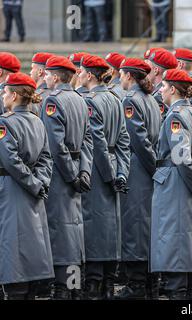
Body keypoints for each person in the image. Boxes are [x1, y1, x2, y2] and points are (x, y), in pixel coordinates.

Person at [151, 69, 192, 300]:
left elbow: (182, 157)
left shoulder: (176, 116)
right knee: (185, 241)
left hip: (176, 184)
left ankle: (178, 291)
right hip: (187, 181)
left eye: (164, 86)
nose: (160, 90)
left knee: (174, 242)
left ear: (173, 89)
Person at [78, 55, 131, 300]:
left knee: (95, 227)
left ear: (89, 75)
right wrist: (121, 172)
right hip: (112, 169)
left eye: (81, 71)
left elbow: (97, 144)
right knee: (110, 227)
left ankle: (95, 284)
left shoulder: (92, 102)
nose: (78, 74)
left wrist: (110, 176)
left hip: (99, 171)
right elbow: (122, 139)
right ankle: (108, 283)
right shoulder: (113, 98)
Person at [41, 56, 94, 300]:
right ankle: (73, 284)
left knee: (59, 227)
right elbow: (87, 141)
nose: (43, 77)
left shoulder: (53, 100)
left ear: (55, 76)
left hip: (60, 173)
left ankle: (62, 287)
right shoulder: (80, 100)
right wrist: (83, 170)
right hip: (75, 169)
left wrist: (73, 176)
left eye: (46, 74)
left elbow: (55, 145)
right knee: (72, 226)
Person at [0, 73, 53, 300]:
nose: (2, 95)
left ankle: (16, 291)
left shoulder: (5, 122)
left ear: (13, 95)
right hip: (32, 188)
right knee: (31, 244)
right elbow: (46, 158)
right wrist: (40, 182)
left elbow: (10, 159)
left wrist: (32, 183)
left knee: (12, 243)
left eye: (5, 91)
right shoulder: (37, 121)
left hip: (11, 187)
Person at [115, 58, 161, 300]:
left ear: (130, 76)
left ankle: (137, 284)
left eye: (121, 74)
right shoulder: (150, 100)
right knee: (145, 223)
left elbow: (139, 140)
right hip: (147, 166)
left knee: (135, 224)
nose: (119, 78)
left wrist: (153, 168)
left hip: (138, 167)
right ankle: (149, 282)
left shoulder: (131, 100)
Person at [145, 48, 178, 120]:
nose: (145, 71)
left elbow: (159, 125)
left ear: (156, 70)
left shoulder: (160, 95)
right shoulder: (172, 89)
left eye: (148, 67)